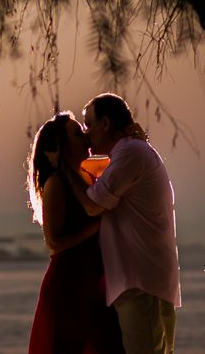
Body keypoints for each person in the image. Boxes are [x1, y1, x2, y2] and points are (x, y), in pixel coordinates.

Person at [67, 93, 181, 354]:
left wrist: (67, 171)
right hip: (141, 278)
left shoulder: (130, 152)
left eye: (89, 125)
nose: (86, 134)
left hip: (141, 280)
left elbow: (94, 204)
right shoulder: (130, 151)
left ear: (106, 124)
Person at [27, 112, 123, 354]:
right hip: (68, 286)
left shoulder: (83, 179)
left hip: (94, 284)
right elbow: (54, 243)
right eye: (77, 134)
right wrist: (99, 225)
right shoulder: (56, 183)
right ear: (62, 146)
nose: (86, 138)